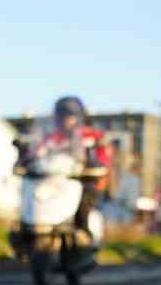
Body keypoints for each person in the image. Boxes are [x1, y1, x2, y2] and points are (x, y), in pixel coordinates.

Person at [28, 96, 110, 239]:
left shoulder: (91, 135)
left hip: (82, 178)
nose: (65, 120)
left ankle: (83, 228)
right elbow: (35, 152)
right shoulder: (51, 136)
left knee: (88, 192)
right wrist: (27, 159)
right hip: (53, 178)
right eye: (61, 116)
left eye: (69, 116)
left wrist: (98, 163)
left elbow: (103, 155)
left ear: (78, 117)